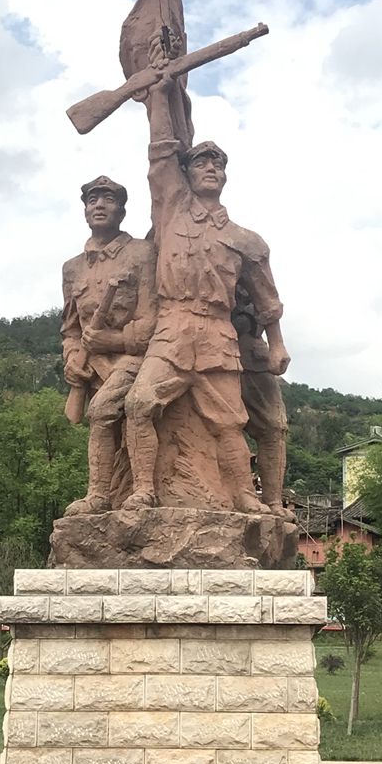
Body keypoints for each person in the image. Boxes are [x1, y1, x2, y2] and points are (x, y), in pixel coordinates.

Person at [124, 75, 290, 513]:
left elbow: (268, 301)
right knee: (139, 404)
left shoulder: (246, 241)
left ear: (226, 176)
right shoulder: (171, 209)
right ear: (188, 173)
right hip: (172, 328)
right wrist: (159, 92)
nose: (210, 169)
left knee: (229, 422)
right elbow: (161, 151)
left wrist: (277, 346)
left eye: (217, 165)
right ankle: (143, 490)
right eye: (201, 164)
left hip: (218, 333)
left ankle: (243, 496)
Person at [61, 175, 156, 515]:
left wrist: (112, 339)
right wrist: (72, 359)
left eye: (108, 200)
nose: (99, 206)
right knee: (104, 421)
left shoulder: (142, 253)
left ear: (122, 211)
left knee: (103, 411)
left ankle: (139, 490)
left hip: (136, 360)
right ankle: (104, 495)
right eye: (92, 200)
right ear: (85, 211)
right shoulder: (72, 268)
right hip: (95, 367)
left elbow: (152, 319)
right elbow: (71, 328)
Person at [233, 288, 291, 517]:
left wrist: (277, 343)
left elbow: (266, 297)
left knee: (274, 427)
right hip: (199, 344)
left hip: (250, 349)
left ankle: (273, 501)